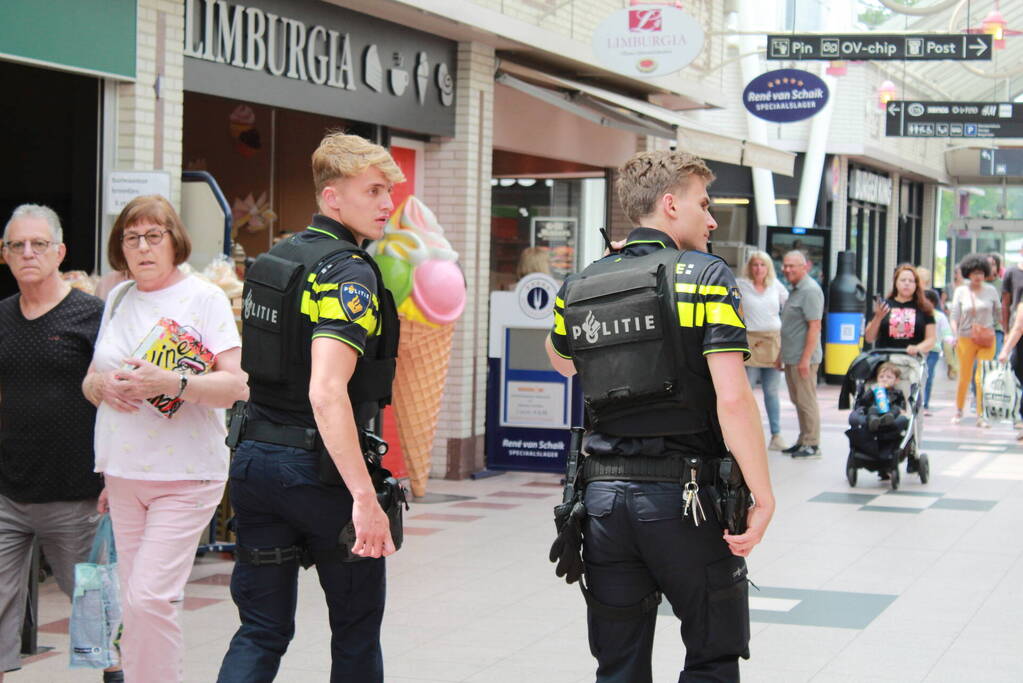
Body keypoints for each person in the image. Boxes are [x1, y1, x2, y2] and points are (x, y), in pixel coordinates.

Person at [544, 149, 775, 682]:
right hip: (685, 503)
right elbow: (733, 397)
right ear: (670, 205)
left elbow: (561, 362)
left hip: (601, 506)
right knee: (712, 657)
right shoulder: (708, 276)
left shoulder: (582, 282)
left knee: (618, 665)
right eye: (704, 203)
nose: (712, 219)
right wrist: (764, 495)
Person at [218, 133, 402, 683]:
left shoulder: (275, 260)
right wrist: (365, 500)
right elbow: (326, 390)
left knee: (260, 630)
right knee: (355, 631)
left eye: (388, 190)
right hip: (317, 474)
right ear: (332, 198)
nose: (387, 204)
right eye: (372, 190)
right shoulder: (347, 272)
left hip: (254, 463)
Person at [82, 195, 247, 682]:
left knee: (148, 597)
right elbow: (92, 378)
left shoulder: (204, 297)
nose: (143, 247)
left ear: (175, 241)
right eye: (132, 238)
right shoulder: (118, 297)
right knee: (135, 605)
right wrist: (102, 386)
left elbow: (236, 386)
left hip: (185, 474)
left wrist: (171, 383)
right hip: (125, 473)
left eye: (155, 235)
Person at [0, 205, 114, 682]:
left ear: (60, 252)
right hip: (7, 492)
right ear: (4, 256)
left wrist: (113, 475)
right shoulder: (2, 317)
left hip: (76, 495)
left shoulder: (93, 316)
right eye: (16, 246)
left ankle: (114, 671)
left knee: (92, 609)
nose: (28, 253)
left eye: (39, 244)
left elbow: (116, 403)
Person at [737, 251, 789, 451]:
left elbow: (790, 307)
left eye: (762, 264)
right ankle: (744, 434)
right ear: (750, 266)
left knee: (771, 392)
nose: (759, 268)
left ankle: (776, 435)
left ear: (768, 267)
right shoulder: (741, 285)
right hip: (749, 342)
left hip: (772, 343)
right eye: (755, 264)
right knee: (746, 391)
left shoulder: (776, 286)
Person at [779, 250, 824, 459]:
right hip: (792, 357)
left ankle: (812, 443)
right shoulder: (796, 289)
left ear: (805, 266)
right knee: (798, 401)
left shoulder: (810, 290)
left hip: (803, 359)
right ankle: (803, 439)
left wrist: (805, 359)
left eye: (792, 266)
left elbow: (814, 326)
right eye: (785, 265)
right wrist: (781, 354)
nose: (787, 269)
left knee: (807, 401)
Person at [949, 254, 1000, 427]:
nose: (978, 276)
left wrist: (999, 329)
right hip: (965, 337)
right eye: (974, 272)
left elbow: (998, 312)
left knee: (982, 377)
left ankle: (981, 414)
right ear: (968, 273)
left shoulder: (991, 291)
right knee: (964, 376)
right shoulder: (961, 291)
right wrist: (955, 334)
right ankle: (958, 410)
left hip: (987, 338)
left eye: (981, 272)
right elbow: (954, 316)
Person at [847, 362, 910, 476]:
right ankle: (873, 421)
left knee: (895, 410)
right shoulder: (874, 390)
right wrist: (873, 390)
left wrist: (901, 410)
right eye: (881, 377)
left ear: (896, 381)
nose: (884, 379)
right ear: (877, 378)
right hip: (874, 413)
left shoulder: (897, 392)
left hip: (890, 415)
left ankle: (887, 419)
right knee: (872, 409)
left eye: (889, 377)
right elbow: (864, 402)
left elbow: (901, 406)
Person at [864, 264, 936, 357]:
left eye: (911, 281)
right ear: (895, 283)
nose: (907, 283)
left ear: (916, 285)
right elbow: (869, 338)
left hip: (912, 361)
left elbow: (931, 339)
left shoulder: (925, 308)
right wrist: (878, 317)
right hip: (886, 360)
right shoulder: (884, 306)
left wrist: (917, 348)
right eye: (903, 280)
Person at [988, 253, 1005, 355]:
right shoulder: (977, 284)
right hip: (978, 330)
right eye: (987, 263)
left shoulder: (1002, 284)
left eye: (993, 264)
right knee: (977, 365)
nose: (990, 266)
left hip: (996, 329)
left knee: (993, 362)